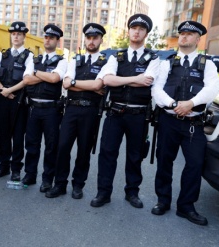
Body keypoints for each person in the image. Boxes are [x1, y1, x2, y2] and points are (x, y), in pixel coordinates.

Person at [151, 21, 219, 226]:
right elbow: (157, 89)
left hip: (193, 123)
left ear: (198, 39)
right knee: (164, 161)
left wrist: (191, 103)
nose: (184, 37)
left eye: (189, 34)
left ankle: (186, 206)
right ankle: (163, 201)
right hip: (169, 121)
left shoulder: (207, 64)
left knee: (195, 165)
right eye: (182, 33)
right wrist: (173, 104)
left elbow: (211, 89)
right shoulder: (167, 63)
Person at [90, 14, 159, 208]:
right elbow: (107, 80)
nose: (136, 31)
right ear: (128, 31)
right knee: (107, 153)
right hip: (115, 113)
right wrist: (135, 79)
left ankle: (132, 193)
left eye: (141, 29)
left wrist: (121, 79)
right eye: (133, 28)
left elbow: (149, 79)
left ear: (146, 33)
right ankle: (103, 193)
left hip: (138, 115)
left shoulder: (153, 58)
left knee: (135, 155)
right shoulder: (115, 56)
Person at [46, 23, 107, 199]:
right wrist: (87, 86)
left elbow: (99, 85)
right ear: (85, 39)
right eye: (89, 37)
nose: (92, 41)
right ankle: (60, 184)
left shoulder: (106, 61)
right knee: (63, 147)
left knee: (84, 150)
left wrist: (76, 84)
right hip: (71, 109)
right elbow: (65, 83)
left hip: (90, 112)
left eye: (95, 38)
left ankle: (78, 185)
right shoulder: (75, 60)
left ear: (101, 40)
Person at [21, 24, 67, 192]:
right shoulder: (34, 60)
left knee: (51, 146)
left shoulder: (62, 61)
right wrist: (45, 75)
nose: (48, 40)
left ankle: (47, 179)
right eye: (46, 37)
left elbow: (55, 78)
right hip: (33, 108)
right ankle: (30, 174)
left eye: (52, 38)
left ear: (57, 41)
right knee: (31, 144)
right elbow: (26, 80)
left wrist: (36, 73)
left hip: (51, 110)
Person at [0, 22, 34, 181]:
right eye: (13, 34)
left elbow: (27, 79)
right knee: (2, 134)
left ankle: (16, 168)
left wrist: (9, 91)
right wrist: (3, 89)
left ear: (24, 36)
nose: (15, 36)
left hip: (19, 101)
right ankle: (3, 165)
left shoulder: (29, 56)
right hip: (3, 98)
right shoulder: (2, 55)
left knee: (18, 136)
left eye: (19, 34)